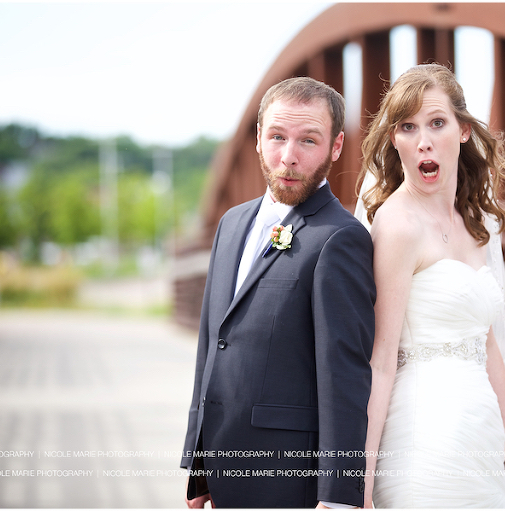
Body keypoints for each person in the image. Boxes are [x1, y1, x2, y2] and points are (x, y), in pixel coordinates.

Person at [181, 77, 376, 508]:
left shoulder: (341, 238)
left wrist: (339, 495)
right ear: (257, 139)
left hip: (289, 482)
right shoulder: (230, 224)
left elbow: (345, 376)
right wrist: (198, 470)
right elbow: (210, 348)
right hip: (221, 467)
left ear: (337, 146)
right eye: (277, 137)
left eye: (309, 140)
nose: (288, 157)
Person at [355, 63, 505, 508]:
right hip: (422, 440)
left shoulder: (475, 223)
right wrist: (356, 487)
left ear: (462, 131)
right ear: (394, 140)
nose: (423, 140)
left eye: (436, 123)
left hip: (479, 438)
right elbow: (380, 362)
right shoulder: (397, 226)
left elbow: (488, 343)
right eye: (407, 126)